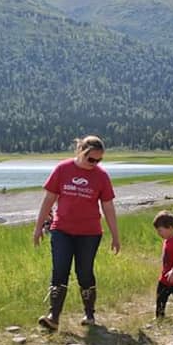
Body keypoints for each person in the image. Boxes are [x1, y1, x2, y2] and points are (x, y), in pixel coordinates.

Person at [34, 135, 121, 330]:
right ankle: (53, 317)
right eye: (91, 159)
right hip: (61, 230)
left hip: (89, 233)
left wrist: (115, 235)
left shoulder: (101, 176)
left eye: (99, 160)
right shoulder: (62, 169)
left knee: (84, 272)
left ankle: (89, 314)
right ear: (81, 151)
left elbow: (108, 207)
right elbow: (48, 200)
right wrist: (38, 227)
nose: (95, 164)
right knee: (60, 270)